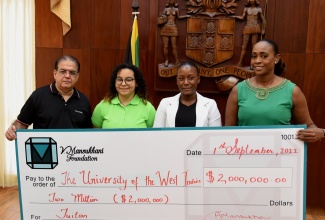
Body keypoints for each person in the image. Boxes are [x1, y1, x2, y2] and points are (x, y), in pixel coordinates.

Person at [225, 39, 325, 142]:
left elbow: (308, 126)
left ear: (276, 58)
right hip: (245, 154)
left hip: (281, 155)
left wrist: (320, 132)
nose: (257, 61)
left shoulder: (292, 91)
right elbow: (228, 132)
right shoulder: (238, 90)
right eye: (254, 56)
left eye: (264, 56)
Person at [5, 55, 92, 141]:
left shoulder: (83, 101)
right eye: (63, 71)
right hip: (45, 152)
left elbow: (88, 134)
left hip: (73, 153)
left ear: (77, 76)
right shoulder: (38, 96)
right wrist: (12, 131)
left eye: (72, 73)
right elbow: (21, 124)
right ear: (55, 73)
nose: (67, 76)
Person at [154, 61, 222, 127]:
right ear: (177, 81)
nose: (186, 82)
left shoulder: (210, 105)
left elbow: (214, 136)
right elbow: (157, 135)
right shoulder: (165, 104)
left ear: (198, 79)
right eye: (181, 79)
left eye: (191, 78)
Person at [91, 63, 156, 128]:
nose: (123, 84)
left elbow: (153, 135)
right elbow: (95, 133)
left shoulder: (148, 108)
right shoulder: (102, 106)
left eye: (128, 80)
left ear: (136, 83)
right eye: (119, 79)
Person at [232, 0, 266, 67]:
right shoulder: (246, 9)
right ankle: (240, 63)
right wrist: (235, 17)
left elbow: (263, 20)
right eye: (250, 0)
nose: (252, 1)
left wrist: (263, 29)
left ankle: (253, 64)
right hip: (248, 27)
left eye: (253, 0)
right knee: (244, 46)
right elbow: (242, 18)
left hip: (255, 27)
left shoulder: (258, 9)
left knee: (254, 47)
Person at [159, 0, 189, 67]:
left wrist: (186, 16)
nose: (171, 2)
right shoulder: (166, 9)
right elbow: (162, 17)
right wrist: (161, 15)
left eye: (173, 0)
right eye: (170, 0)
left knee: (174, 46)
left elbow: (179, 17)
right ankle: (166, 60)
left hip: (173, 27)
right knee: (166, 46)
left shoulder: (176, 9)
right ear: (168, 2)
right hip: (165, 27)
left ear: (174, 2)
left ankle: (177, 60)